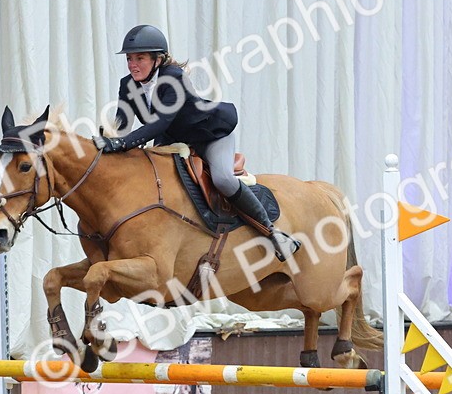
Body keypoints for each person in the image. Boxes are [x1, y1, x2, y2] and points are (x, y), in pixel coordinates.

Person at [95, 24, 301, 262]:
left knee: (223, 179)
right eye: (129, 58)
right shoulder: (128, 85)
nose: (132, 64)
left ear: (158, 59)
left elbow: (159, 124)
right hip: (173, 139)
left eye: (139, 58)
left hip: (209, 135)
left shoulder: (174, 78)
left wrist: (121, 144)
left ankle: (273, 233)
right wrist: (107, 140)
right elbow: (122, 124)